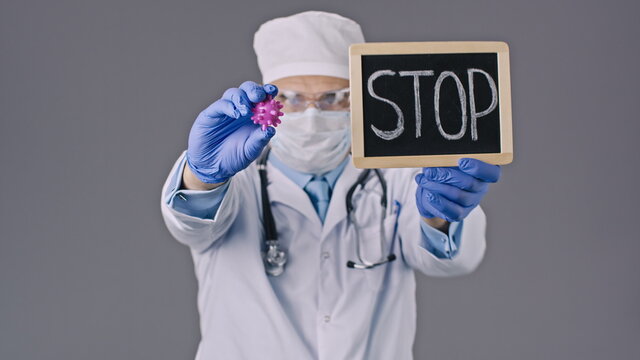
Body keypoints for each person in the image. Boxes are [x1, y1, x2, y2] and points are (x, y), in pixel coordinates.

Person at [161, 11, 501, 360]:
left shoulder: (400, 177)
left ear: (359, 101)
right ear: (266, 106)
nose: (312, 115)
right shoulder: (237, 183)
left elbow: (452, 260)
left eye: (332, 98)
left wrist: (441, 216)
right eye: (290, 99)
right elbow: (190, 226)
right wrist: (204, 176)